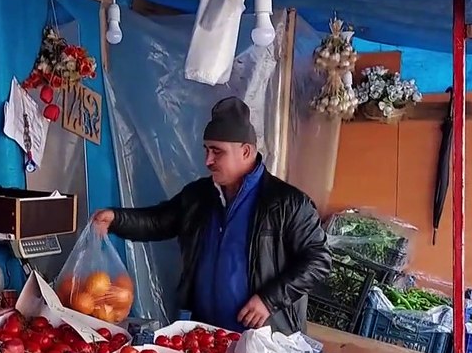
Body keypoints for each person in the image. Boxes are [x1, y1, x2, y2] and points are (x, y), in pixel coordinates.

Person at [91, 96, 331, 335]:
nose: (207, 160)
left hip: (266, 340)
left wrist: (269, 299)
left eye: (217, 152)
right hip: (206, 335)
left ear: (246, 151)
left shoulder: (287, 203)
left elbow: (318, 259)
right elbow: (159, 221)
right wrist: (116, 219)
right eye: (206, 150)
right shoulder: (199, 196)